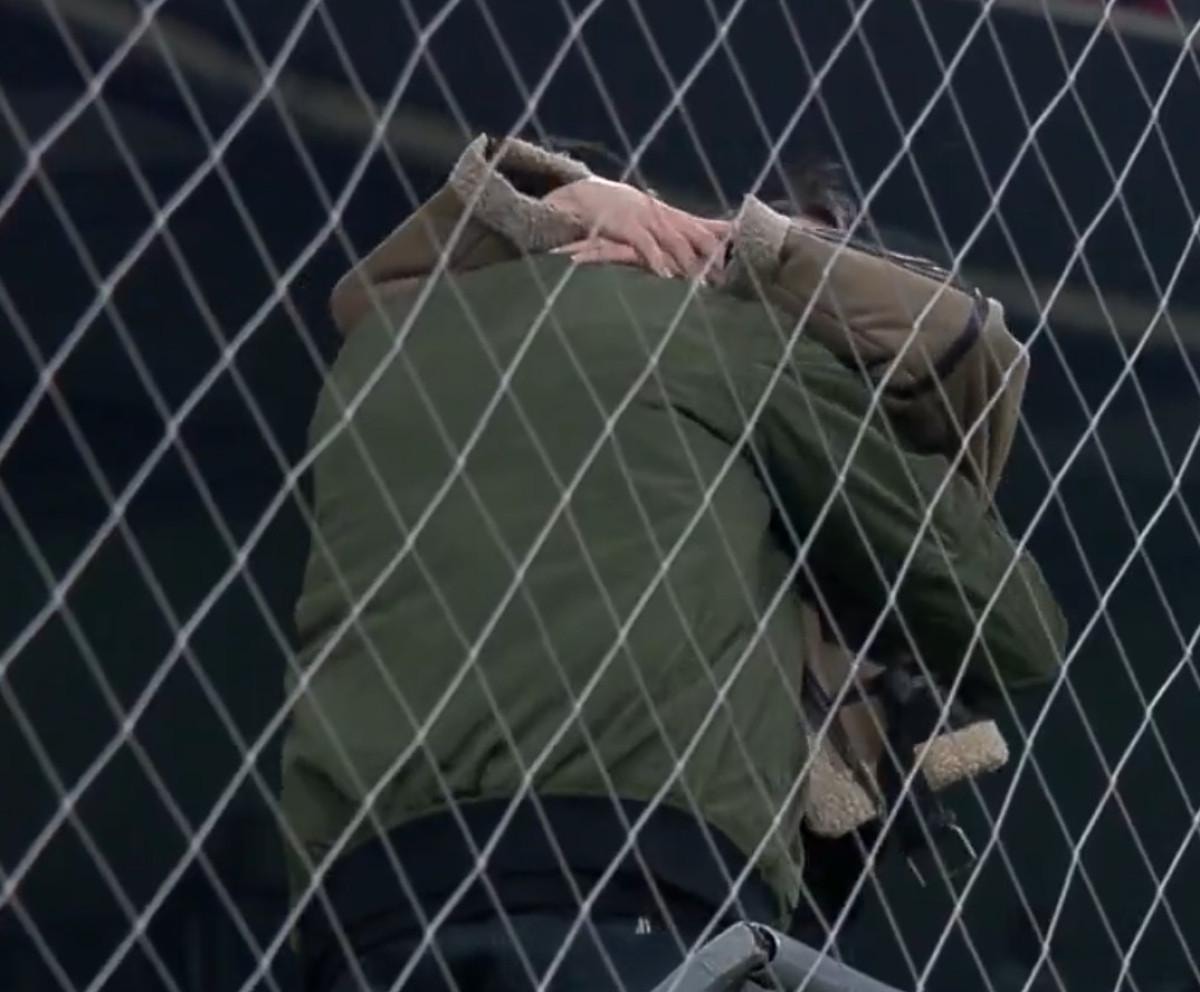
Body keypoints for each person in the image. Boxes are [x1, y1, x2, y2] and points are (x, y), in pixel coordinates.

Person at [282, 134, 1067, 992]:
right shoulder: (726, 338)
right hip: (638, 890)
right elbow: (1016, 628)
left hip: (363, 913)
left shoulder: (381, 355)